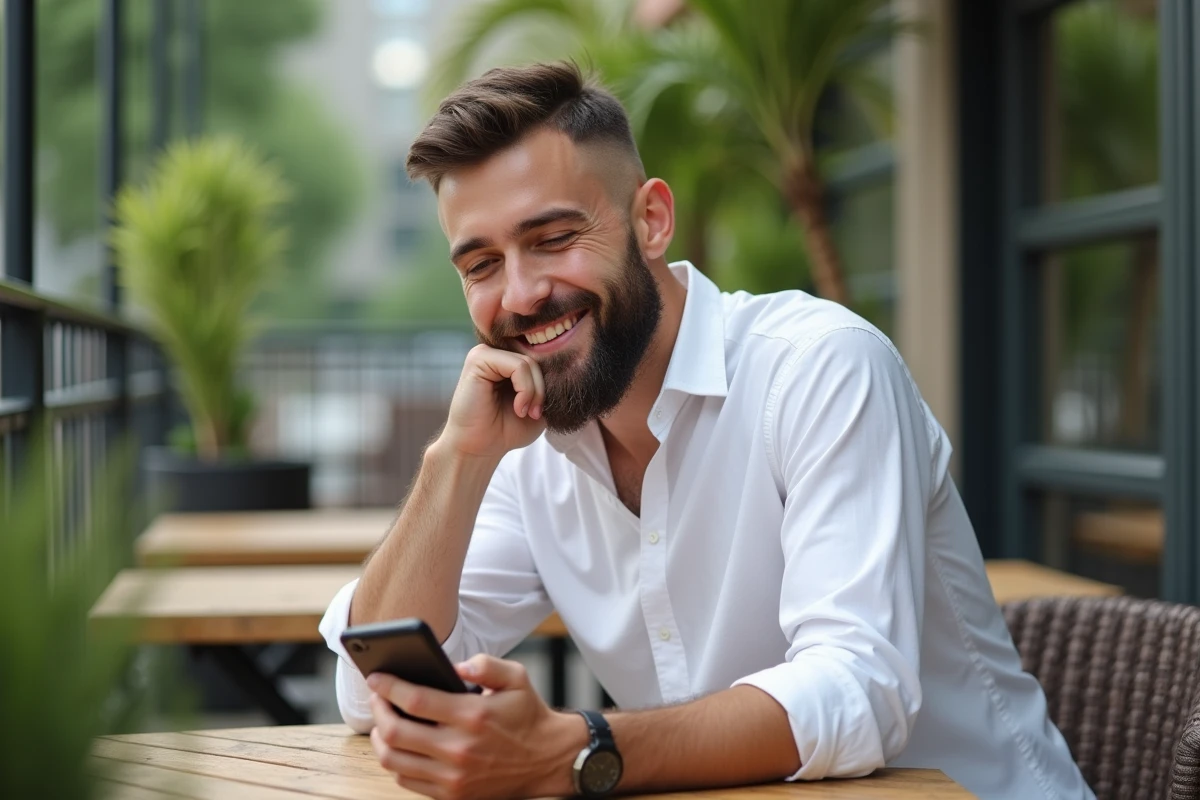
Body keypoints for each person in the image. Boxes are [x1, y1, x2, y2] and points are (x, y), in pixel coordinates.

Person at [320, 61, 1092, 800]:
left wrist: (574, 750)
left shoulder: (818, 368)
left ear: (651, 220)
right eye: (482, 264)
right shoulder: (524, 447)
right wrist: (455, 461)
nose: (521, 295)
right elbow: (370, 688)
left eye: (553, 239)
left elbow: (858, 690)